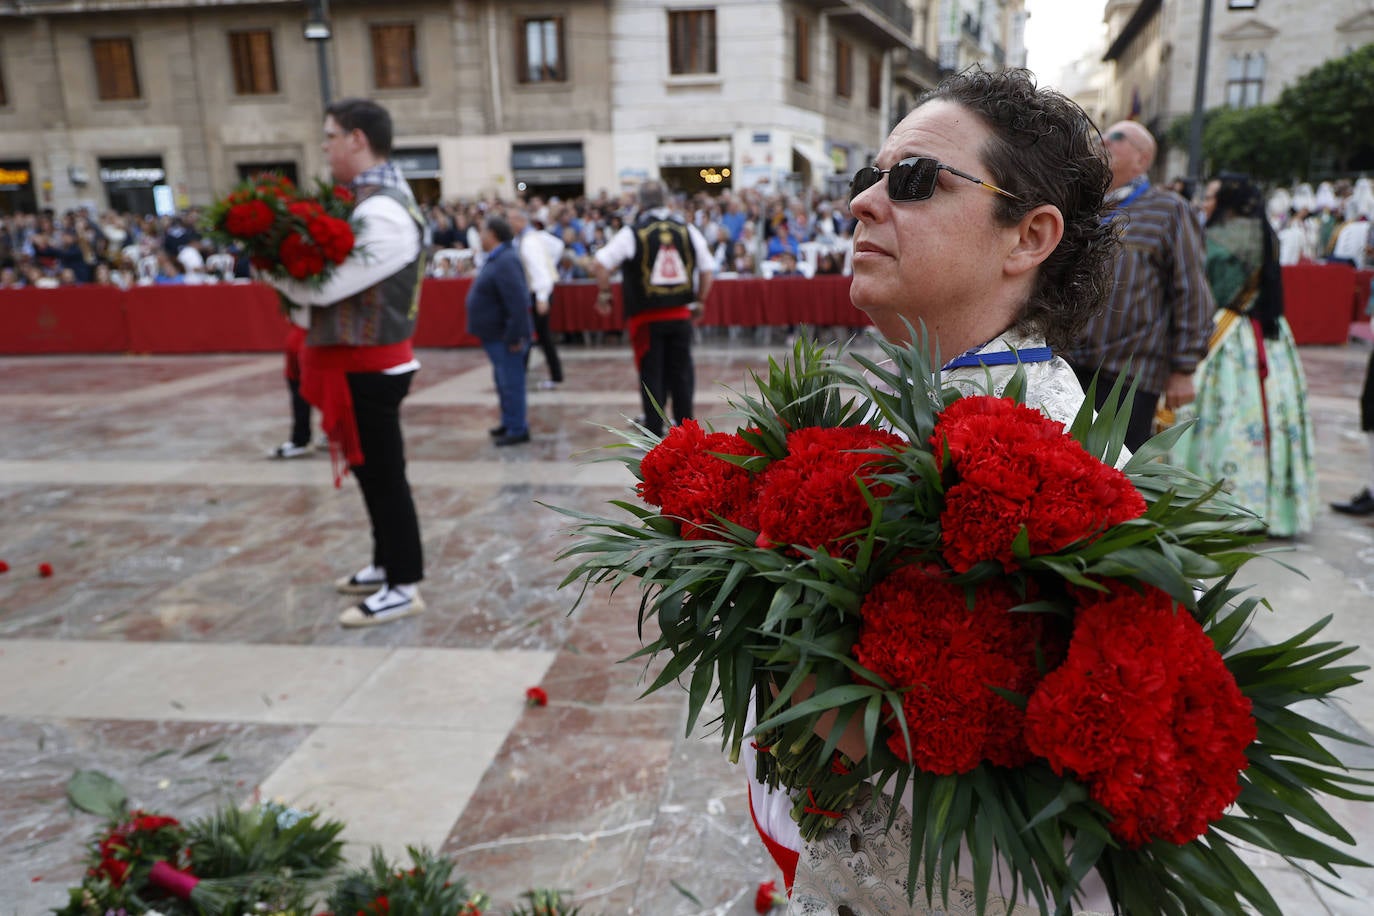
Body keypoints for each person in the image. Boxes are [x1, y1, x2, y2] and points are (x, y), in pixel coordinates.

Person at [747, 67, 1116, 914]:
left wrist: (845, 718)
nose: (862, 205)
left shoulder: (1065, 476)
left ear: (1028, 237)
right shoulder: (932, 405)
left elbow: (1089, 789)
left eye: (911, 180)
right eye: (865, 178)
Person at [262, 97, 427, 628]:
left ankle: (404, 584)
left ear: (357, 139)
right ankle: (387, 564)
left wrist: (273, 268)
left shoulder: (382, 210)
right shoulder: (367, 201)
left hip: (372, 367)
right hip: (358, 363)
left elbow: (325, 289)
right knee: (372, 475)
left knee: (385, 477)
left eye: (331, 136)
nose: (326, 147)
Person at [1172, 174, 1316, 536]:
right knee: (1263, 416)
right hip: (1267, 336)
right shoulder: (1266, 231)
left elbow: (1208, 289)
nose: (1206, 202)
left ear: (1231, 200)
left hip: (1227, 331)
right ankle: (1262, 503)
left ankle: (1213, 502)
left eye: (1213, 196)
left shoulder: (1224, 236)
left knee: (1218, 417)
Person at [1063, 119, 1214, 452]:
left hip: (1129, 376)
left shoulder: (1170, 210)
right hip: (1068, 365)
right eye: (1102, 136)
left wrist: (1184, 368)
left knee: (1114, 474)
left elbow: (1191, 290)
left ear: (1142, 159)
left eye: (1116, 138)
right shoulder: (1085, 206)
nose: (1104, 142)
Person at [591, 180, 715, 437]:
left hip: (647, 318)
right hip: (680, 314)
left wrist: (605, 293)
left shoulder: (632, 232)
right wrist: (700, 300)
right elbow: (707, 268)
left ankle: (655, 433)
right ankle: (686, 432)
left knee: (652, 375)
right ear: (666, 200)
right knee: (681, 374)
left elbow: (601, 263)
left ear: (641, 203)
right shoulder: (686, 229)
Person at [466, 215, 533, 446]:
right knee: (503, 382)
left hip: (506, 337)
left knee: (511, 383)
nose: (481, 236)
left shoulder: (506, 259)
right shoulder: (497, 258)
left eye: (483, 232)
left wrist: (515, 335)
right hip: (495, 335)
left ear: (493, 234)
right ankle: (509, 422)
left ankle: (517, 428)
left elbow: (517, 301)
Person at [509, 208, 564, 390]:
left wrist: (542, 296)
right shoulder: (532, 237)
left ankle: (529, 374)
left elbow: (538, 270)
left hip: (539, 292)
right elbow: (558, 246)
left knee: (538, 335)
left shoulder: (529, 242)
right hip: (540, 291)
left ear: (519, 221)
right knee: (538, 335)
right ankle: (547, 374)